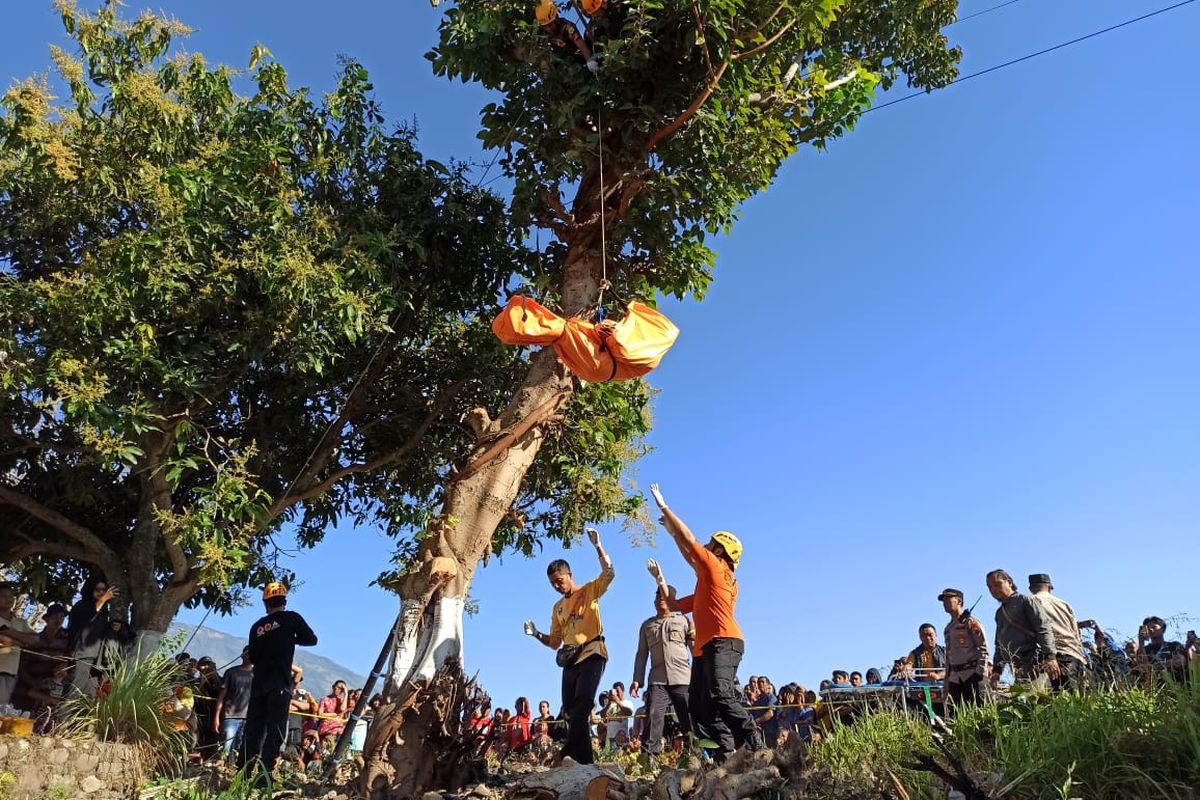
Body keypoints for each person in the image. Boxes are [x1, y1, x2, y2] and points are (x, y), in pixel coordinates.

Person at [649, 483, 764, 762]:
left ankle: (755, 742)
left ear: (720, 551)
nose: (706, 546)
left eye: (711, 544)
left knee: (721, 695)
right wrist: (661, 578)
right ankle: (726, 752)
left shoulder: (715, 569)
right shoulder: (709, 581)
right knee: (699, 707)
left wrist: (665, 507)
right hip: (705, 648)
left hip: (724, 642)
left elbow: (689, 542)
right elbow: (675, 605)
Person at [523, 527, 614, 765]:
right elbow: (555, 643)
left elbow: (609, 573)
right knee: (570, 712)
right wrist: (536, 634)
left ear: (569, 575)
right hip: (570, 660)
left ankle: (570, 755)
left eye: (559, 581)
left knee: (583, 705)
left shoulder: (588, 591)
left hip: (592, 653)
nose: (556, 586)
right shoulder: (557, 608)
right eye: (552, 583)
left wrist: (598, 546)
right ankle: (581, 761)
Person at [240, 582, 318, 778]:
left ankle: (243, 773)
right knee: (276, 730)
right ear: (284, 601)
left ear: (266, 603)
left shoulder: (257, 626)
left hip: (259, 684)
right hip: (280, 684)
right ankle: (264, 776)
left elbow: (253, 656)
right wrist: (290, 638)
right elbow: (311, 639)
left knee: (253, 729)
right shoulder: (292, 618)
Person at [631, 569, 693, 755]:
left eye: (664, 595)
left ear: (672, 599)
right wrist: (637, 680)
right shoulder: (647, 625)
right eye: (657, 595)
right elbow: (641, 654)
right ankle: (650, 757)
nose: (660, 599)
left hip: (682, 677)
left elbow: (695, 648)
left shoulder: (684, 621)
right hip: (657, 679)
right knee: (653, 716)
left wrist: (701, 674)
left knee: (688, 716)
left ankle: (696, 754)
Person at [986, 569, 1059, 688]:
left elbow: (1043, 627)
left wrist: (1050, 656)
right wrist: (997, 670)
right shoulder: (999, 613)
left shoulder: (1025, 600)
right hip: (1017, 668)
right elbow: (999, 643)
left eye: (997, 584)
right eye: (990, 587)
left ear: (1009, 582)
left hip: (1035, 663)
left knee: (1039, 696)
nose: (993, 589)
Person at [1026, 574, 1088, 690]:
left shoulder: (1030, 602)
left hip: (1050, 658)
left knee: (1053, 698)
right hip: (1073, 655)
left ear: (1030, 588)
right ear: (1050, 587)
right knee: (1076, 697)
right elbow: (1076, 633)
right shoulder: (1064, 605)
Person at [66, 576, 117, 698]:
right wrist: (104, 599)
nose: (101, 592)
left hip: (98, 656)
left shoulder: (104, 610)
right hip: (83, 653)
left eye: (104, 590)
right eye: (97, 589)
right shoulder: (81, 605)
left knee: (92, 690)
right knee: (78, 687)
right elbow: (88, 616)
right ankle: (67, 710)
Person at [939, 588, 989, 707]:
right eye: (943, 600)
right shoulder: (948, 628)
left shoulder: (971, 622)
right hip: (955, 677)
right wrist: (947, 681)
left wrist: (980, 672)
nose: (944, 603)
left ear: (958, 601)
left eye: (948, 599)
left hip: (972, 673)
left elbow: (983, 647)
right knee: (960, 712)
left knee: (981, 709)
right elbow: (948, 656)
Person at [214, 647, 254, 761]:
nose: (250, 656)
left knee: (239, 748)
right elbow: (221, 696)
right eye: (248, 654)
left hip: (248, 718)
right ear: (242, 655)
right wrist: (216, 717)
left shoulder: (257, 675)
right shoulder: (231, 672)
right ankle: (220, 766)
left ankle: (232, 768)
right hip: (230, 716)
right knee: (225, 747)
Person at [0, 583, 36, 706]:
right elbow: (5, 640)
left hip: (11, 674)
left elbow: (35, 639)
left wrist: (11, 633)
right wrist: (21, 642)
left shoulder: (20, 623)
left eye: (11, 597)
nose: (8, 600)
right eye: (4, 596)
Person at [1135, 616, 1189, 683]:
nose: (1150, 629)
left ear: (1162, 629)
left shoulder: (1174, 645)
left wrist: (1153, 667)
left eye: (1154, 627)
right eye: (1148, 628)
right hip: (1155, 686)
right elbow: (1142, 667)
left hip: (1176, 684)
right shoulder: (1145, 649)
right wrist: (1141, 643)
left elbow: (1179, 662)